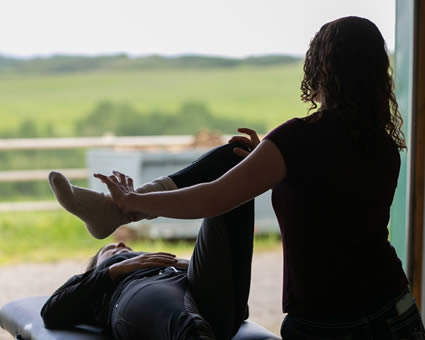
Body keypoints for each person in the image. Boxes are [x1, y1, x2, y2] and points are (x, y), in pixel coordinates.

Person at [50, 16, 425, 339]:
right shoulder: (383, 147)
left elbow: (211, 199)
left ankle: (118, 212)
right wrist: (265, 158)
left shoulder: (298, 139)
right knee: (235, 156)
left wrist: (134, 200)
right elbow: (331, 196)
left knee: (228, 158)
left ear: (321, 69)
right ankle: (116, 212)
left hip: (323, 327)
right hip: (394, 311)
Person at [42, 142, 256, 340]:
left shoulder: (168, 265)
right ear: (96, 267)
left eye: (122, 247)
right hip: (140, 290)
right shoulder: (100, 292)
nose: (121, 245)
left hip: (198, 287)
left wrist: (188, 267)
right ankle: (124, 210)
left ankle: (120, 211)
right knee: (176, 315)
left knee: (236, 155)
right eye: (111, 250)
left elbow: (240, 308)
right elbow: (51, 311)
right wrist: (116, 270)